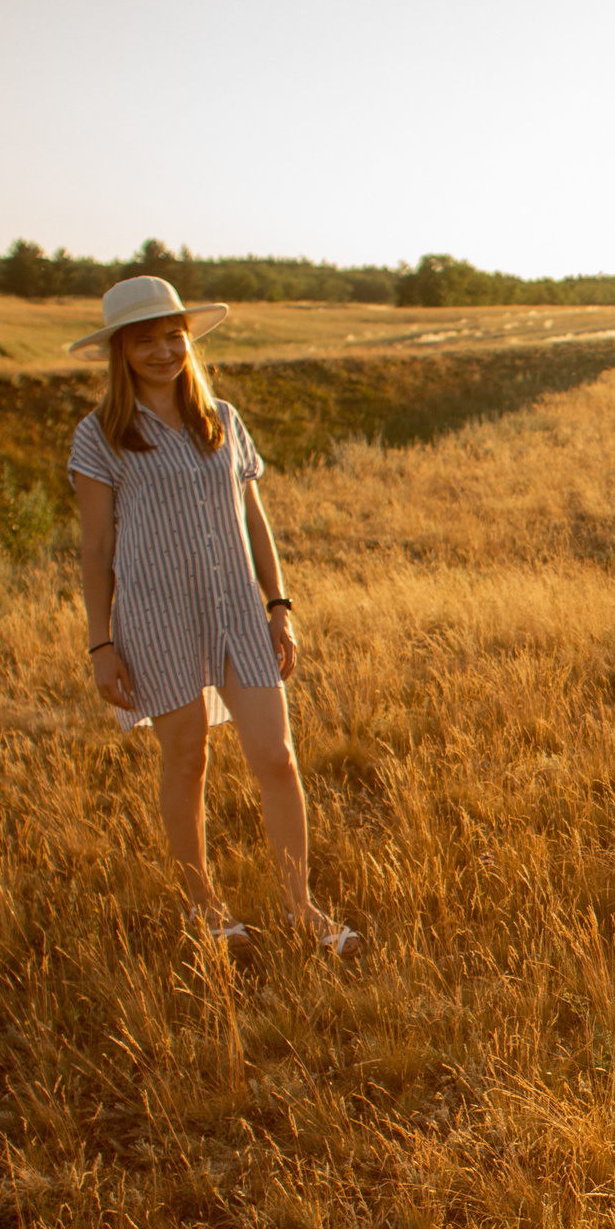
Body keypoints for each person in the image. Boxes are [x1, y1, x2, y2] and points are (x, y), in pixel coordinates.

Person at [66, 277, 361, 957]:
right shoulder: (101, 435)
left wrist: (279, 604)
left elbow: (255, 519)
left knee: (277, 757)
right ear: (122, 350)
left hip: (237, 611)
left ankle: (302, 909)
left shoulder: (223, 418)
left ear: (188, 339)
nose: (164, 350)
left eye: (173, 335)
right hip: (156, 617)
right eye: (145, 339)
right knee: (186, 758)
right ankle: (206, 911)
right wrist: (100, 643)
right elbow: (96, 547)